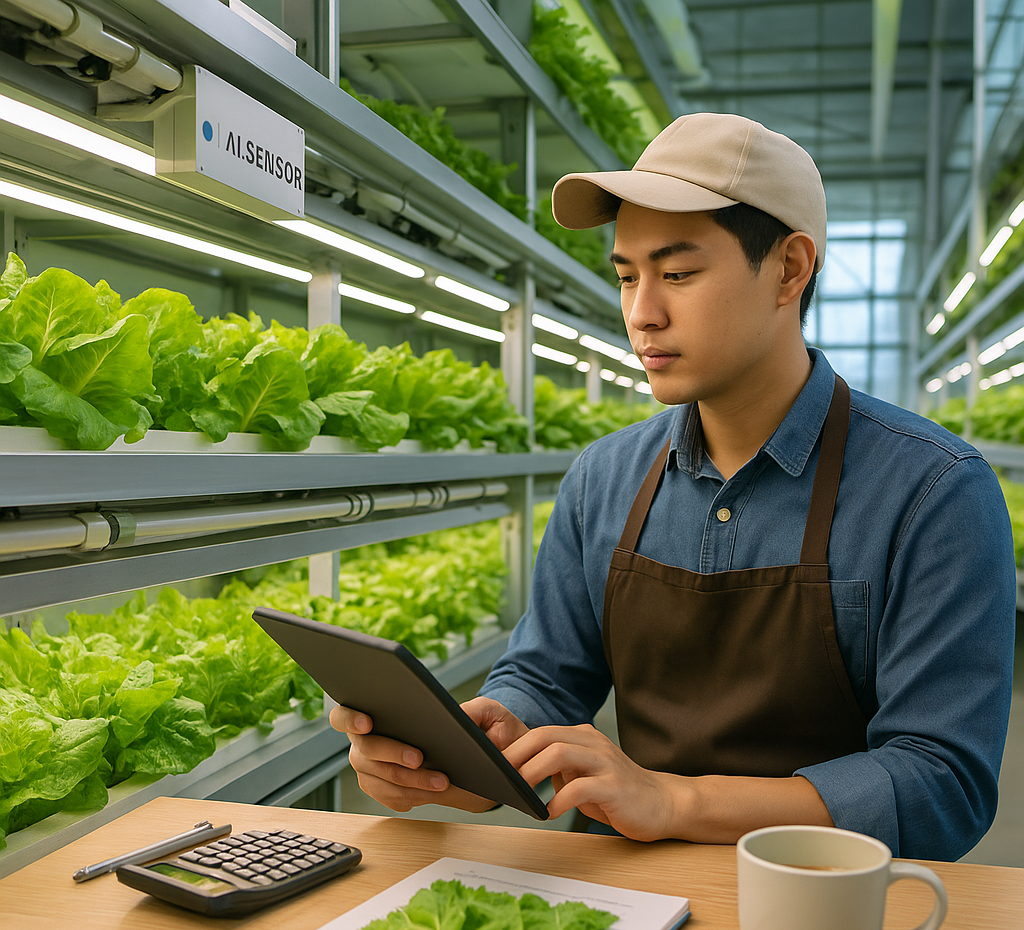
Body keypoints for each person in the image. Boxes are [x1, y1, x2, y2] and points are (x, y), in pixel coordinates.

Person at [330, 112, 1015, 861]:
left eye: (678, 274)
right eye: (627, 275)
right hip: (618, 897)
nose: (640, 314)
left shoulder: (935, 493)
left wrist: (673, 800)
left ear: (789, 269)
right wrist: (468, 754)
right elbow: (546, 678)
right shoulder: (604, 476)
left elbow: (941, 783)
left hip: (828, 917)